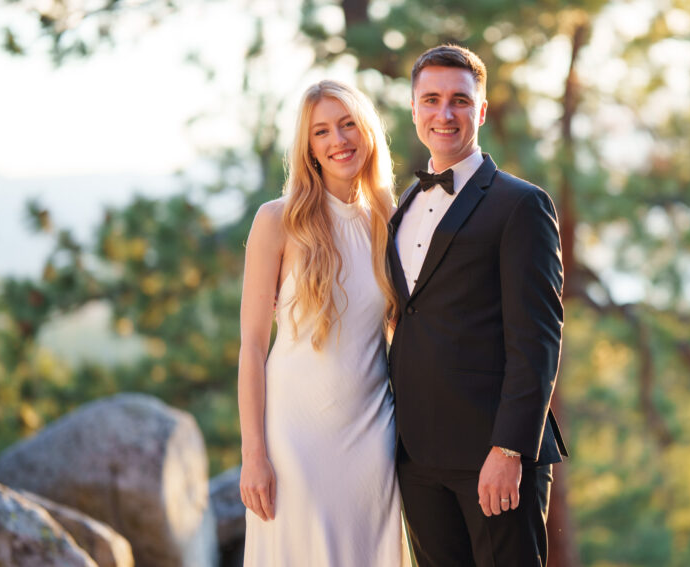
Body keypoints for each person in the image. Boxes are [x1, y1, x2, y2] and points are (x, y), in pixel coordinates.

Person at [387, 44, 569, 566]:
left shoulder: (521, 204)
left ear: (481, 111)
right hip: (417, 458)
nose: (445, 114)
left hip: (493, 455)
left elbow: (537, 340)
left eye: (460, 101)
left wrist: (509, 449)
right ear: (414, 107)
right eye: (431, 99)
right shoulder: (404, 203)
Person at [237, 80, 409, 567]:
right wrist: (254, 455)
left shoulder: (391, 221)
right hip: (293, 439)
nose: (339, 140)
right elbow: (251, 346)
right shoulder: (276, 221)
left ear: (367, 131)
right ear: (308, 148)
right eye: (322, 132)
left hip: (372, 437)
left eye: (348, 124)